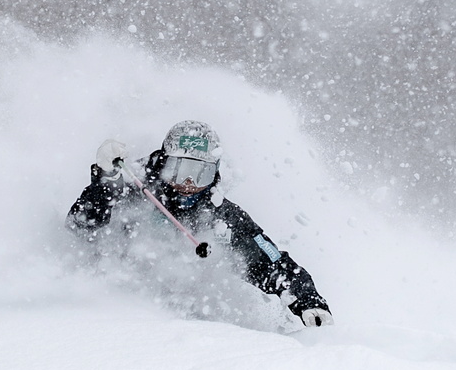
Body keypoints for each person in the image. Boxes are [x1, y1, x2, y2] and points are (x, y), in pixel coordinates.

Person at [68, 120, 333, 327]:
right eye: (180, 170)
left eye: (201, 174)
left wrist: (307, 299)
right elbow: (80, 225)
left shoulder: (220, 215)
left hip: (181, 320)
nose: (189, 184)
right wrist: (105, 181)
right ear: (163, 163)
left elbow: (270, 261)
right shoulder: (135, 184)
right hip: (109, 301)